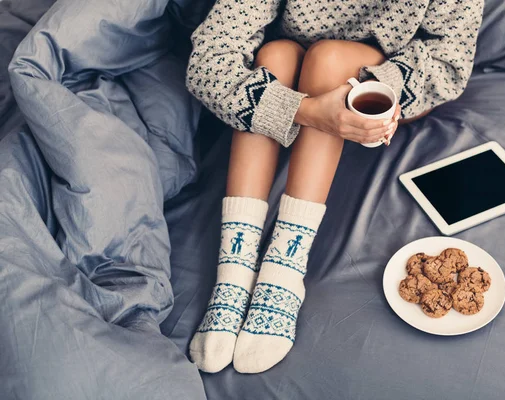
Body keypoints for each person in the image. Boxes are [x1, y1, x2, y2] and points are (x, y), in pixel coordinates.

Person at [186, 0, 484, 374]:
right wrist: (307, 110)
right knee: (275, 54)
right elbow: (210, 59)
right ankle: (234, 268)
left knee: (327, 58)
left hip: (382, 79)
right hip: (290, 71)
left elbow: (448, 60)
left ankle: (285, 264)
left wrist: (375, 92)